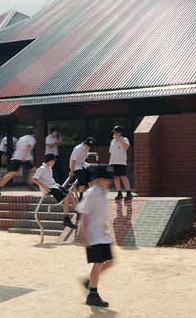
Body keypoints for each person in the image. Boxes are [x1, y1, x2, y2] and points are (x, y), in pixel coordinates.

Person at [77, 165, 116, 307]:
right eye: (107, 178)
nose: (109, 181)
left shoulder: (104, 193)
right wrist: (84, 235)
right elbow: (85, 216)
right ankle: (93, 295)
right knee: (98, 263)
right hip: (93, 235)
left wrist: (107, 231)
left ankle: (89, 281)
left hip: (102, 234)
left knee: (110, 262)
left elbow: (102, 215)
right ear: (99, 179)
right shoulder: (91, 193)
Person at [31, 154, 78, 230]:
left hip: (54, 185)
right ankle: (66, 219)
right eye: (53, 161)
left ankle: (78, 213)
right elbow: (34, 179)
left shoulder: (49, 168)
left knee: (71, 194)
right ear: (49, 161)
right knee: (66, 199)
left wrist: (57, 184)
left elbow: (49, 179)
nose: (54, 162)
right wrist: (45, 187)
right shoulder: (42, 168)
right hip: (49, 188)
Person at [0, 130, 36, 196]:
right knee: (33, 170)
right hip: (24, 158)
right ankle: (29, 183)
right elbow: (28, 147)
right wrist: (24, 157)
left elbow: (17, 147)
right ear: (33, 134)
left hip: (16, 157)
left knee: (11, 173)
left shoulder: (21, 138)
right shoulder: (31, 138)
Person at [109, 126, 133, 200]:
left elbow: (126, 146)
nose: (114, 133)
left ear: (120, 133)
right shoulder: (112, 141)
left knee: (123, 177)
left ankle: (128, 192)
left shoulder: (125, 139)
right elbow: (110, 151)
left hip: (121, 162)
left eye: (115, 132)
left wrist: (119, 139)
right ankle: (119, 193)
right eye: (114, 132)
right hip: (112, 162)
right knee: (115, 177)